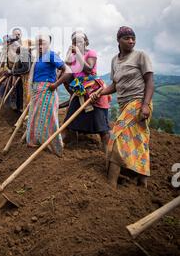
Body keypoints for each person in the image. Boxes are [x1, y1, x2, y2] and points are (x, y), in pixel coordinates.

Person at [90, 26, 154, 188]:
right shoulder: (115, 60)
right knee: (139, 140)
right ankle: (141, 181)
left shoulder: (140, 56)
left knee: (117, 138)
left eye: (133, 38)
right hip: (125, 105)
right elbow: (115, 85)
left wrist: (145, 105)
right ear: (118, 41)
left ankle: (111, 184)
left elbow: (150, 81)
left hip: (139, 103)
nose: (131, 41)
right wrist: (100, 92)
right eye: (127, 38)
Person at [64, 30, 111, 149]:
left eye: (80, 41)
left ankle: (108, 150)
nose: (78, 43)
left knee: (100, 123)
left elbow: (89, 69)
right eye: (75, 41)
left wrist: (79, 54)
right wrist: (70, 52)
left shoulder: (91, 53)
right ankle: (73, 144)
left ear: (86, 42)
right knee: (71, 118)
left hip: (93, 89)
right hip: (79, 89)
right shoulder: (73, 55)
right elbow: (67, 64)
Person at [26, 34, 70, 156]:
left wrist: (55, 85)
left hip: (47, 92)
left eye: (43, 43)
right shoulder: (38, 58)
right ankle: (36, 141)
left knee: (49, 119)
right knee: (35, 116)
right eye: (38, 43)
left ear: (48, 44)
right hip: (36, 91)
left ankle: (55, 147)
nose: (40, 46)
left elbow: (68, 71)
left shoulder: (50, 55)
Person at [0, 34, 31, 112]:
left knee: (24, 96)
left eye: (12, 45)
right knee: (18, 93)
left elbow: (26, 68)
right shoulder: (16, 53)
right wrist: (10, 72)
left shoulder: (24, 52)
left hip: (26, 79)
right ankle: (18, 110)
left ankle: (22, 112)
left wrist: (11, 72)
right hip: (19, 78)